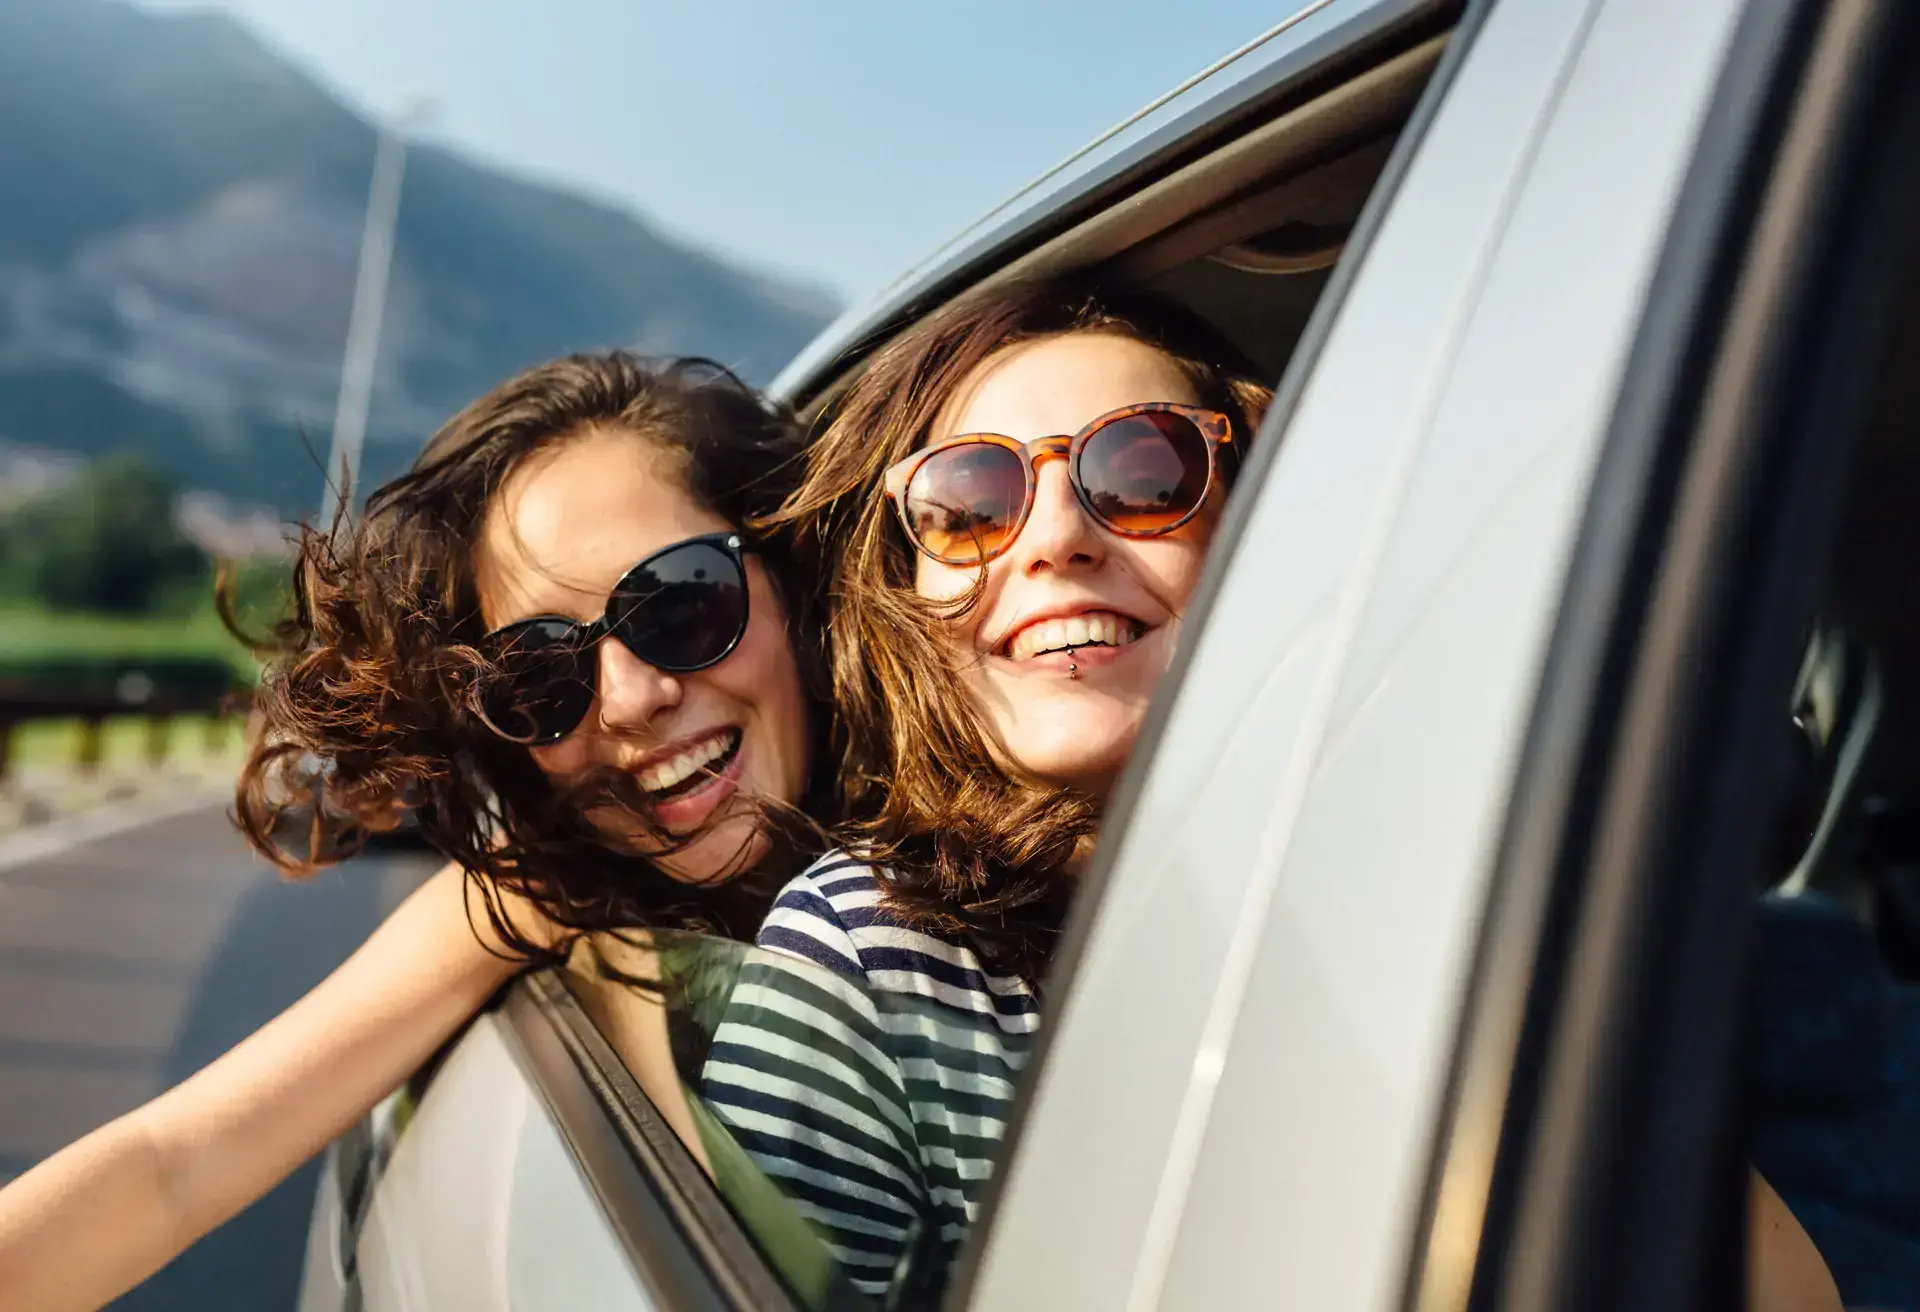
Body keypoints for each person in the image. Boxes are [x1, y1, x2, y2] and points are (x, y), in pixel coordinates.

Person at [694, 280, 1846, 1311]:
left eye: (1143, 473)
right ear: (908, 589)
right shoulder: (860, 949)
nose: (1052, 539)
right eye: (969, 499)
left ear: (1266, 535)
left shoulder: (1441, 887)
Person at [0, 352, 831, 1311]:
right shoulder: (551, 889)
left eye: (682, 603)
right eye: (539, 675)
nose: (635, 700)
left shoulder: (1011, 828)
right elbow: (175, 1164)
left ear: (794, 576)